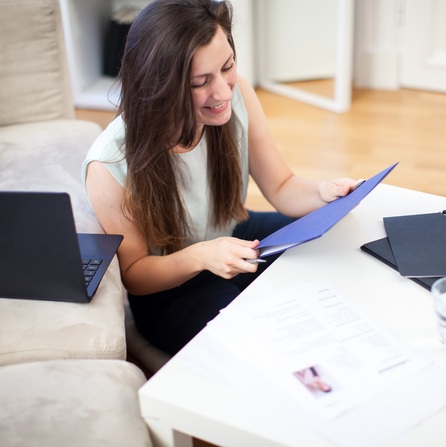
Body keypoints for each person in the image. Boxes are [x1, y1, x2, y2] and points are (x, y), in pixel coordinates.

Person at [82, 0, 360, 355]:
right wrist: (200, 257)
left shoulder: (237, 93)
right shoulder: (109, 164)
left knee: (334, 241)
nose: (224, 92)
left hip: (231, 236)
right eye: (201, 82)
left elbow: (281, 186)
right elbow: (136, 275)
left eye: (227, 66)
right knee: (269, 343)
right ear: (158, 85)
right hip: (171, 291)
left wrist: (324, 193)